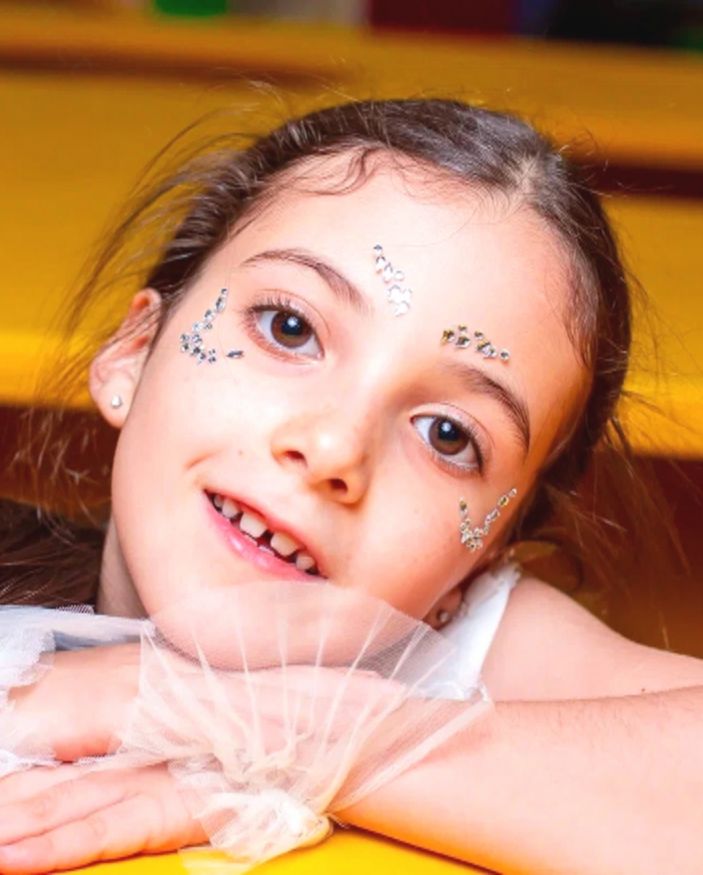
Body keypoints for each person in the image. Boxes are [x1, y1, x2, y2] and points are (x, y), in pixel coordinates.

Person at [1, 98, 702, 874]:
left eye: (448, 436)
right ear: (133, 352)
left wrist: (287, 736)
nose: (334, 447)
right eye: (289, 328)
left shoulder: (451, 640)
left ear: (484, 557)